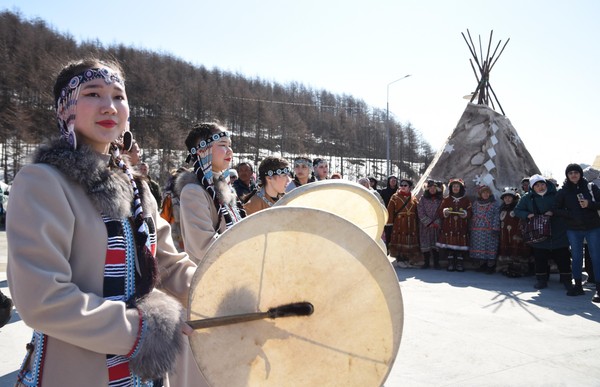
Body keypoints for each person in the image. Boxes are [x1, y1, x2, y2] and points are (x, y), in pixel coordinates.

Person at [6, 58, 197, 386]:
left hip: (144, 375)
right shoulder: (43, 182)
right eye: (93, 94)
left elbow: (169, 265)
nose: (109, 106)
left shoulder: (135, 186)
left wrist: (222, 288)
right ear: (66, 108)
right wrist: (143, 330)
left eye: (119, 96)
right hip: (76, 372)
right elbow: (42, 299)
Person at [177, 122, 244, 264]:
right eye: (222, 145)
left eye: (229, 145)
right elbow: (203, 246)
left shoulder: (226, 188)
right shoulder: (193, 191)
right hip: (212, 274)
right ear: (202, 150)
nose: (230, 151)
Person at [515, 174, 573, 291]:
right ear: (532, 187)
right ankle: (542, 280)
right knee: (540, 258)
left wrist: (554, 212)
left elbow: (567, 208)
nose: (540, 187)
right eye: (537, 185)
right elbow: (517, 210)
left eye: (542, 184)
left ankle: (566, 279)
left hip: (558, 231)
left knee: (563, 257)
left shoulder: (557, 194)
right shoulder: (527, 198)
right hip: (538, 232)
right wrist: (527, 215)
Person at [554, 163, 600, 300]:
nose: (573, 175)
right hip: (574, 229)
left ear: (580, 174)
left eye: (576, 172)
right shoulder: (563, 191)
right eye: (570, 173)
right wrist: (569, 214)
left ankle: (599, 288)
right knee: (577, 258)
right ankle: (578, 286)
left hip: (593, 227)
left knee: (596, 257)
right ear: (567, 175)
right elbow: (556, 209)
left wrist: (589, 204)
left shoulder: (591, 187)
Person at [436, 178, 472, 272]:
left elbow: (470, 212)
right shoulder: (446, 199)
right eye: (454, 186)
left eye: (458, 186)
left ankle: (459, 263)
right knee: (450, 246)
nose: (456, 188)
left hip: (461, 226)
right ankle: (451, 262)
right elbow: (440, 212)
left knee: (460, 247)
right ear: (451, 188)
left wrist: (465, 213)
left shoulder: (466, 200)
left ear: (461, 188)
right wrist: (445, 212)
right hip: (449, 226)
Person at [497, 187, 531, 277]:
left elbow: (522, 221)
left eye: (509, 197)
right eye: (505, 197)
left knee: (517, 251)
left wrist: (520, 233)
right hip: (505, 235)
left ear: (514, 198)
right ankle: (506, 267)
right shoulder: (502, 208)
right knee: (506, 250)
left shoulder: (518, 208)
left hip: (516, 234)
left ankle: (518, 269)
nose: (507, 199)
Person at [386, 178, 420, 268]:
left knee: (409, 240)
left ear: (410, 187)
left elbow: (417, 209)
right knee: (399, 239)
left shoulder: (413, 197)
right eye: (401, 185)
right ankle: (400, 258)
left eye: (405, 185)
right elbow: (390, 210)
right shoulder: (395, 197)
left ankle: (407, 258)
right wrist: (389, 222)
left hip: (411, 222)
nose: (403, 187)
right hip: (400, 222)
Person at [470, 185, 501, 274]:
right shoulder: (476, 203)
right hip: (477, 229)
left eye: (487, 192)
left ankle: (490, 266)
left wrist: (495, 228)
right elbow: (473, 214)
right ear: (480, 194)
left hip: (489, 228)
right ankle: (482, 264)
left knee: (490, 247)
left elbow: (496, 216)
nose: (485, 194)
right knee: (479, 247)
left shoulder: (494, 204)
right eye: (483, 192)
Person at [160, 167, 189, 252]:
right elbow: (164, 218)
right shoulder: (169, 197)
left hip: (187, 233)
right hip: (174, 233)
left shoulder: (189, 194)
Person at [417, 180, 443, 269]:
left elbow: (442, 211)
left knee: (436, 245)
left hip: (436, 226)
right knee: (425, 244)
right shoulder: (423, 199)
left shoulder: (441, 199)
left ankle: (436, 263)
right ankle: (426, 262)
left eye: (434, 188)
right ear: (427, 189)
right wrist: (428, 222)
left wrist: (437, 222)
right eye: (430, 188)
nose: (432, 189)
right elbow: (420, 211)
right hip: (425, 226)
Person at [378, 175, 398, 253]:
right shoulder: (384, 191)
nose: (393, 182)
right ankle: (387, 250)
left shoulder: (398, 191)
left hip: (397, 215)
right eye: (392, 180)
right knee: (388, 233)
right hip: (387, 214)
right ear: (389, 182)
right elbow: (381, 202)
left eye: (395, 181)